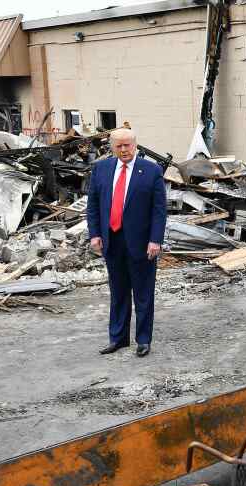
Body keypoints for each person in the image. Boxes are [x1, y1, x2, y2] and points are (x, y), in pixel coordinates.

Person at [87, 128, 167, 357]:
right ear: (112, 147)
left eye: (128, 145)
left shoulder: (151, 171)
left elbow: (159, 210)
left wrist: (155, 240)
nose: (124, 150)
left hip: (142, 243)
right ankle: (118, 338)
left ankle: (143, 340)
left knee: (143, 293)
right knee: (118, 292)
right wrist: (95, 234)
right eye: (119, 146)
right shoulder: (101, 169)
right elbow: (93, 205)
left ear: (135, 145)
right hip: (112, 241)